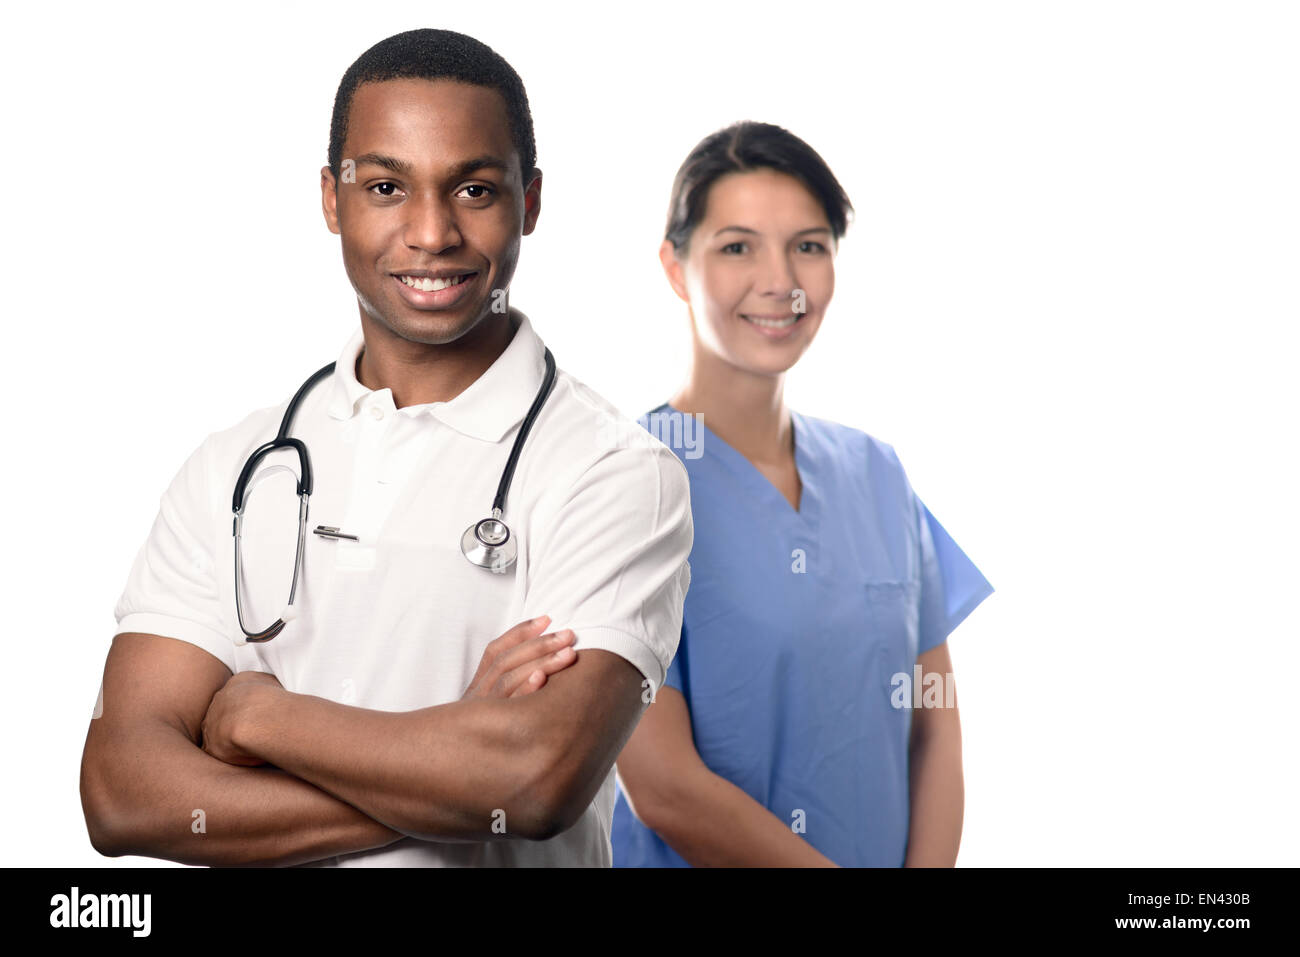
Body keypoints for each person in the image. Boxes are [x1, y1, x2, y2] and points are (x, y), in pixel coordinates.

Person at [79, 28, 692, 867]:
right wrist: (454, 762)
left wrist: (261, 718)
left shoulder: (613, 474)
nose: (431, 232)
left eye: (474, 188)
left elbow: (536, 781)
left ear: (531, 202)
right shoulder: (237, 467)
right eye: (386, 186)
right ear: (333, 199)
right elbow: (121, 795)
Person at [611, 121, 993, 867]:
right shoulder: (625, 482)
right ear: (674, 265)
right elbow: (663, 785)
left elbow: (935, 724)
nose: (780, 280)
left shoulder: (877, 472)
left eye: (808, 246)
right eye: (737, 246)